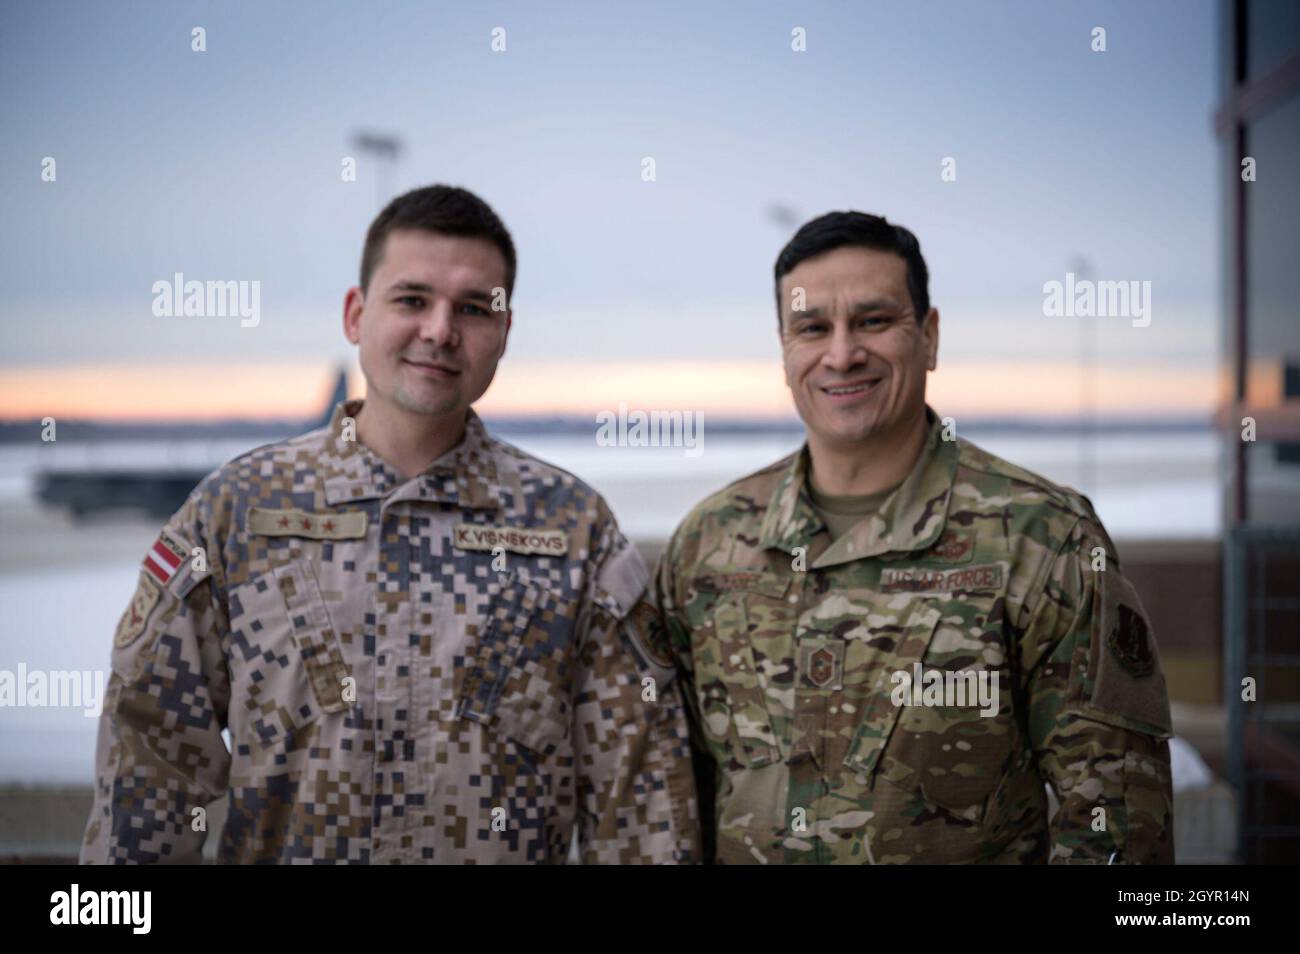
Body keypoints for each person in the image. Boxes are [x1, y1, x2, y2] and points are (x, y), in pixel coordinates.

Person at [80, 185, 698, 864]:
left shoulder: (573, 534)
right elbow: (149, 774)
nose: (439, 330)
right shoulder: (235, 516)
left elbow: (641, 808)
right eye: (412, 300)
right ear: (355, 314)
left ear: (504, 334)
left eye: (472, 308)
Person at [652, 211, 1174, 864]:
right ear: (785, 349)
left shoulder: (1045, 538)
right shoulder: (709, 544)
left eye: (873, 321)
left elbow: (1116, 826)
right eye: (813, 328)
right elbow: (668, 796)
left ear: (928, 337)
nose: (841, 353)